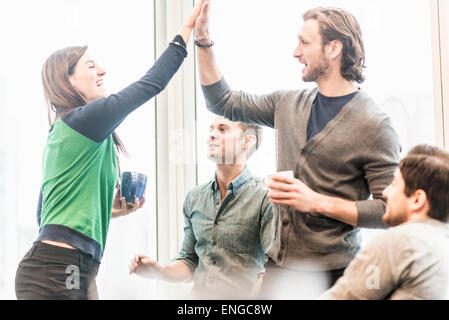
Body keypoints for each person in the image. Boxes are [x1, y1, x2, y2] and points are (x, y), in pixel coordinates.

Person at [194, 1, 401, 298]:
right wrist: (202, 39)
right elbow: (222, 101)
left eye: (304, 42)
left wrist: (317, 202)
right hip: (279, 269)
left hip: (335, 278)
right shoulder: (287, 104)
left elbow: (390, 211)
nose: (296, 52)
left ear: (333, 48)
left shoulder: (375, 125)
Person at [14, 0, 205, 300]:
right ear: (67, 80)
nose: (102, 70)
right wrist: (187, 30)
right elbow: (150, 84)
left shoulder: (69, 133)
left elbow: (46, 213)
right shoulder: (83, 121)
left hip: (72, 266)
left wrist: (111, 209)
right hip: (60, 267)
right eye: (91, 66)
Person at [129, 116, 272, 299]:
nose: (212, 135)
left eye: (223, 129)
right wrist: (159, 270)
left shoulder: (264, 197)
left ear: (247, 141)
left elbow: (271, 269)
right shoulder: (194, 198)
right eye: (211, 129)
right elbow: (189, 262)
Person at [320, 144, 449, 300]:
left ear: (417, 199)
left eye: (393, 184)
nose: (385, 192)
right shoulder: (440, 240)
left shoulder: (400, 241)